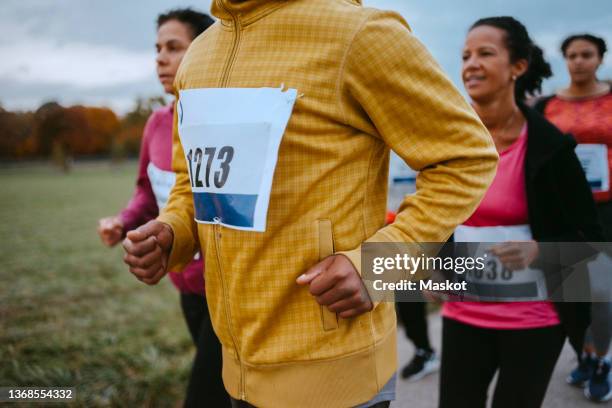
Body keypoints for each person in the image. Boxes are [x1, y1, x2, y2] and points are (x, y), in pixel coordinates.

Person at [121, 1, 498, 407]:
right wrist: (173, 230)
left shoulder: (360, 33)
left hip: (335, 370)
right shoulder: (199, 55)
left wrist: (379, 264)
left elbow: (466, 157)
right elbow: (191, 181)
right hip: (236, 367)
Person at [439, 17, 604, 408]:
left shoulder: (552, 147)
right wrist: (436, 266)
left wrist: (538, 250)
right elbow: (434, 217)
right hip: (462, 315)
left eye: (485, 53)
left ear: (518, 66)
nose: (471, 64)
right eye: (465, 55)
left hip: (534, 320)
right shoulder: (446, 142)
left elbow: (590, 239)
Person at [96, 8, 230, 408]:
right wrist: (122, 222)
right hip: (183, 281)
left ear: (205, 51)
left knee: (204, 397)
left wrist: (421, 271)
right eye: (157, 48)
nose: (160, 58)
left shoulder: (224, 120)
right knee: (226, 393)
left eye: (174, 47)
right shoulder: (156, 123)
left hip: (226, 285)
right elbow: (146, 191)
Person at [535, 33, 612, 403]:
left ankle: (600, 361)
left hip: (606, 207)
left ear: (600, 58)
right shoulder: (545, 105)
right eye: (572, 55)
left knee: (600, 290)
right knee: (567, 291)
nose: (579, 61)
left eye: (587, 54)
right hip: (561, 211)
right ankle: (583, 353)